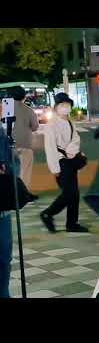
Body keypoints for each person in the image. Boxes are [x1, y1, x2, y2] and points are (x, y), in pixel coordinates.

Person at [40, 93, 88, 233]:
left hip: (70, 160)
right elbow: (50, 147)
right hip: (60, 161)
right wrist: (54, 168)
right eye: (61, 105)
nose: (65, 108)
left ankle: (72, 224)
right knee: (69, 193)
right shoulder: (51, 125)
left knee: (74, 193)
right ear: (56, 108)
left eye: (67, 105)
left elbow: (75, 139)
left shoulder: (70, 122)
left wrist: (71, 151)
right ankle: (48, 213)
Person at [0, 103, 20, 298]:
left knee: (4, 259)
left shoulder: (4, 135)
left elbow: (15, 166)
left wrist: (8, 168)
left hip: (2, 209)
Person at [8, 86, 39, 189]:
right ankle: (23, 193)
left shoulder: (3, 109)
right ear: (24, 97)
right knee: (25, 170)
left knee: (8, 171)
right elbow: (35, 127)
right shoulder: (29, 110)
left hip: (6, 145)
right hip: (25, 144)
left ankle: (10, 193)